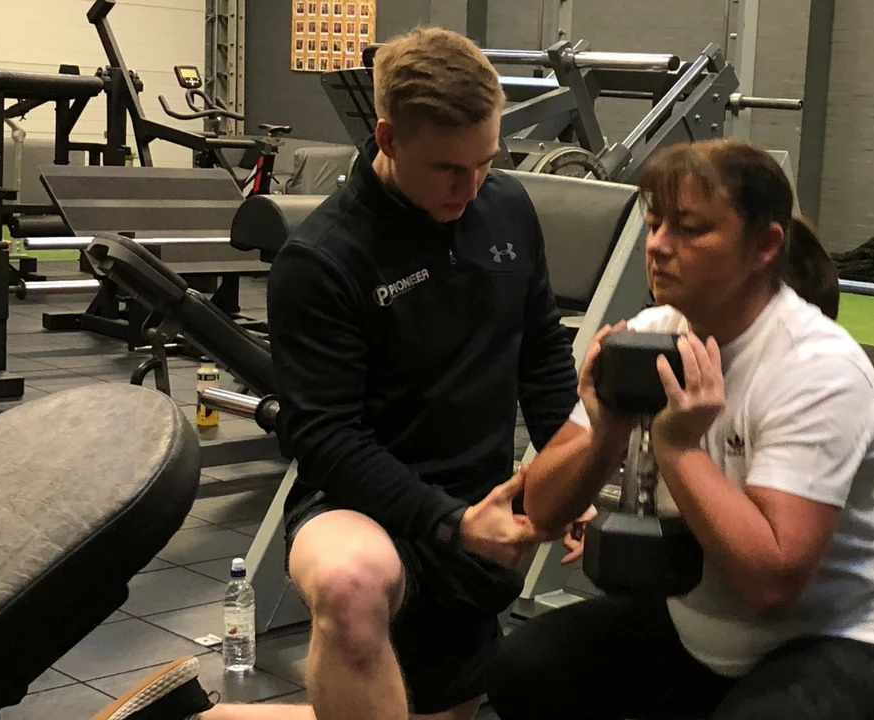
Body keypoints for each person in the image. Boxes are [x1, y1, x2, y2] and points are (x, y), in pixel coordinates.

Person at [96, 26, 584, 720]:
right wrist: (448, 522)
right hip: (361, 509)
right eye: (448, 168)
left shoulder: (505, 207)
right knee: (351, 586)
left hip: (478, 504)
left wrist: (571, 479)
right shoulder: (324, 259)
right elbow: (326, 436)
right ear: (387, 139)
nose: (471, 186)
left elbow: (542, 353)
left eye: (485, 161)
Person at [485, 139, 874, 720]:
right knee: (524, 669)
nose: (659, 246)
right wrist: (607, 430)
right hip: (693, 628)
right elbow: (540, 510)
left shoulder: (817, 370)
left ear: (764, 245)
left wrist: (677, 446)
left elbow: (770, 587)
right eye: (655, 224)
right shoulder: (649, 334)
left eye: (690, 229)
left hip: (831, 639)